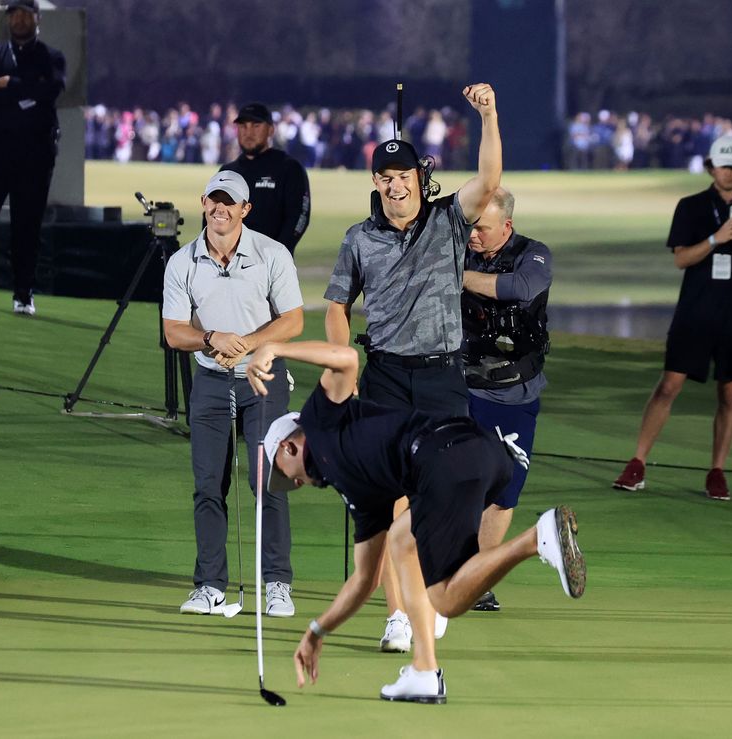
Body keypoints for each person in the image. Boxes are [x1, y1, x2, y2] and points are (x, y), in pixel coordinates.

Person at [243, 339, 585, 703]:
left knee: (447, 599)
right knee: (402, 540)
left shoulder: (320, 419)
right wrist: (316, 631)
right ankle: (424, 670)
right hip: (477, 451)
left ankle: (536, 537)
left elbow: (346, 358)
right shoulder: (360, 493)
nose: (295, 485)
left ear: (288, 447)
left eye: (286, 476)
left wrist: (274, 348)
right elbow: (364, 580)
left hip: (444, 461)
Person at [324, 83, 502, 656]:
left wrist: (489, 116)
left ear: (419, 181)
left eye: (404, 176)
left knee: (442, 488)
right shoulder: (360, 238)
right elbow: (335, 304)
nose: (396, 186)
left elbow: (490, 180)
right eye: (386, 178)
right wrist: (342, 364)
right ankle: (401, 616)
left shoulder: (449, 220)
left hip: (442, 374)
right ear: (376, 183)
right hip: (385, 377)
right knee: (394, 494)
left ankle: (438, 584)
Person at [163, 170, 304, 618]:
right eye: (213, 200)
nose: (219, 209)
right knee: (207, 485)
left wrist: (244, 343)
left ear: (246, 209)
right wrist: (210, 341)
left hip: (263, 376)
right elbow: (173, 332)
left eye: (230, 202)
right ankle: (209, 586)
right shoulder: (182, 261)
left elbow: (293, 320)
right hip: (209, 380)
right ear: (203, 203)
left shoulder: (272, 254)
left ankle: (277, 584)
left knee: (268, 480)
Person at [613, 135, 732, 501]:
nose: (728, 172)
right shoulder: (691, 207)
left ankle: (717, 470)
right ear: (709, 166)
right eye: (722, 165)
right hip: (696, 310)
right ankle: (637, 462)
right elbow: (682, 259)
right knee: (670, 384)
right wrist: (717, 239)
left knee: (730, 392)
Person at [460, 187, 553, 612]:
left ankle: (477, 577)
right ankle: (454, 572)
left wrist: (457, 276)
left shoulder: (533, 254)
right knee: (458, 482)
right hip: (460, 386)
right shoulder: (457, 245)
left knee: (504, 491)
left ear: (507, 226)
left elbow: (521, 287)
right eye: (471, 226)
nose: (473, 236)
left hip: (514, 392)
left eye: (482, 228)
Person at [0, 0, 66, 317]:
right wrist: (29, 89)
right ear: (8, 18)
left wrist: (9, 84)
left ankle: (23, 293)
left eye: (26, 13)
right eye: (15, 14)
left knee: (27, 225)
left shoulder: (51, 56)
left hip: (35, 152)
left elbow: (52, 90)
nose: (20, 19)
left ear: (37, 18)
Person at [218, 102, 311, 253]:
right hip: (229, 268)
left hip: (272, 268)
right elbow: (211, 218)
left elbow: (300, 216)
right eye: (243, 126)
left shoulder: (289, 168)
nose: (248, 132)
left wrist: (276, 255)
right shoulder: (227, 172)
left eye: (256, 126)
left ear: (271, 130)